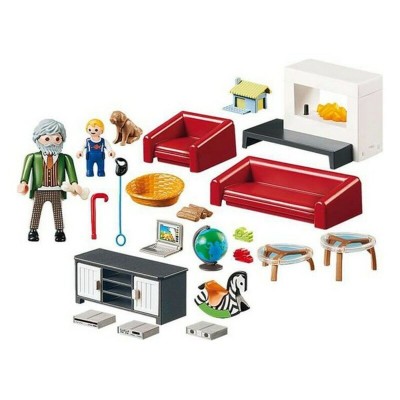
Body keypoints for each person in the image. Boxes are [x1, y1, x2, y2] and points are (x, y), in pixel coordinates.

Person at [18, 119, 83, 242]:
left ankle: (59, 231)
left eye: (57, 138)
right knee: (36, 210)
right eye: (47, 138)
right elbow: (26, 173)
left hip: (57, 190)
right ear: (38, 138)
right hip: (39, 190)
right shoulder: (33, 157)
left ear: (62, 139)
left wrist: (74, 184)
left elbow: (71, 173)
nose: (52, 142)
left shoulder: (65, 158)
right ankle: (33, 230)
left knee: (57, 211)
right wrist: (23, 183)